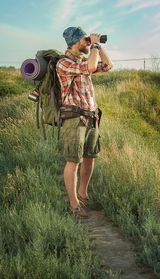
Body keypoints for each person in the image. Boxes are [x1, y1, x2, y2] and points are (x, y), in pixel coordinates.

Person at [56, 26, 114, 218]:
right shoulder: (63, 63)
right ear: (75, 42)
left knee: (89, 158)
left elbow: (109, 65)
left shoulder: (85, 60)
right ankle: (74, 204)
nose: (87, 43)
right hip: (74, 118)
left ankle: (83, 194)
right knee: (73, 161)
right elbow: (89, 67)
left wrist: (99, 47)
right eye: (84, 40)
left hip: (91, 116)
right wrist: (95, 45)